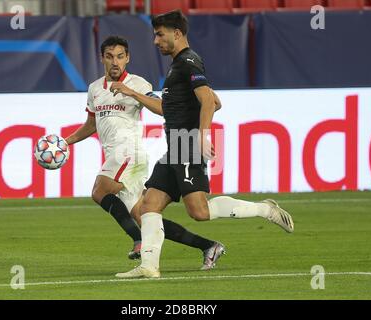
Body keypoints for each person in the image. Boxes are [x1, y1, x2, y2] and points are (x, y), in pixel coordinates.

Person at [114, 11, 294, 279]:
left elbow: (208, 101)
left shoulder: (188, 62)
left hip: (186, 145)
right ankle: (149, 267)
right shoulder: (178, 66)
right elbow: (179, 106)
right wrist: (134, 93)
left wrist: (202, 135)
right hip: (174, 148)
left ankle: (265, 209)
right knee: (147, 206)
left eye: (160, 34)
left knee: (199, 211)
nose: (155, 41)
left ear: (177, 33)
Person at [64, 35, 227, 271]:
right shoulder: (94, 89)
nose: (115, 62)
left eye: (120, 56)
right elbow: (92, 124)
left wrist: (131, 92)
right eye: (109, 57)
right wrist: (65, 142)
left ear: (127, 58)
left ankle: (138, 240)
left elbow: (163, 108)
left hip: (128, 152)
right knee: (146, 217)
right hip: (116, 155)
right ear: (102, 59)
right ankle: (208, 246)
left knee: (100, 190)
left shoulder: (138, 83)